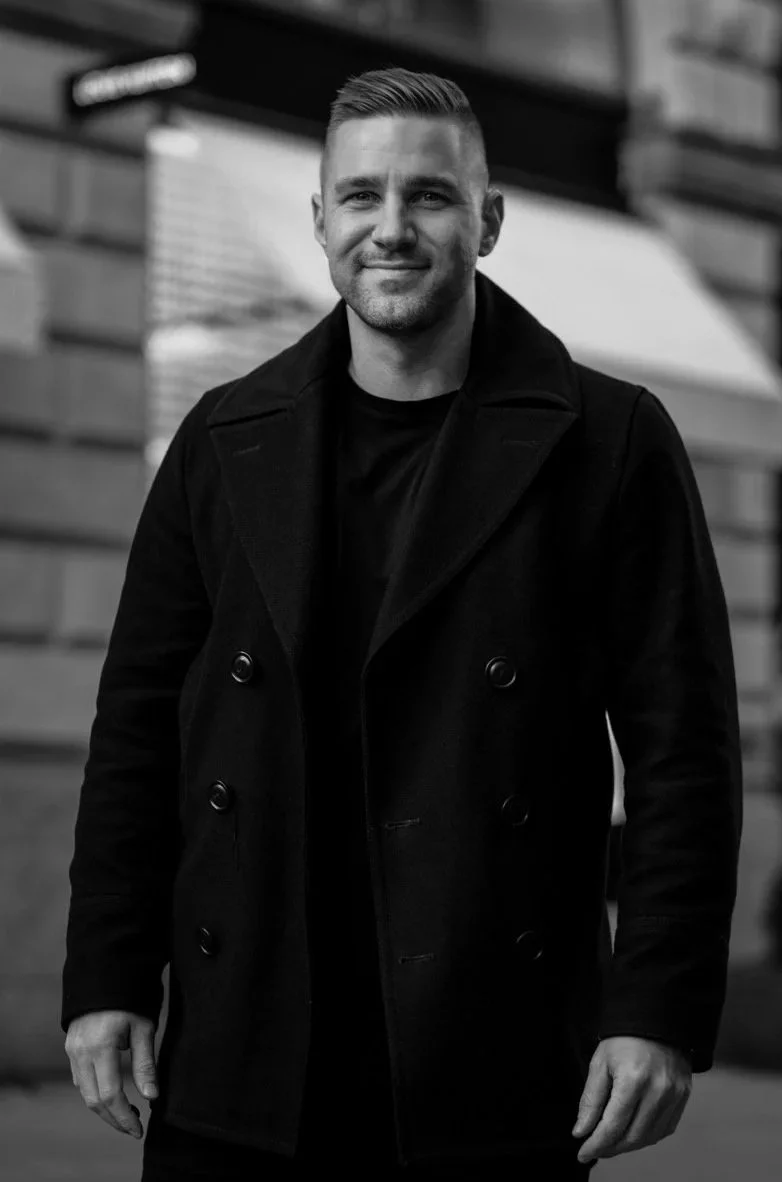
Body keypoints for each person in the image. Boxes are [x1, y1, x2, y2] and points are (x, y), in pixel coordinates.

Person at [62, 67, 742, 1181]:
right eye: (360, 196)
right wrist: (106, 978)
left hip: (491, 1054)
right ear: (319, 220)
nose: (390, 228)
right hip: (244, 1048)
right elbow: (136, 731)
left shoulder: (609, 440)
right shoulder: (223, 438)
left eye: (428, 195)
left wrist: (656, 1010)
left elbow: (686, 754)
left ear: (488, 221)